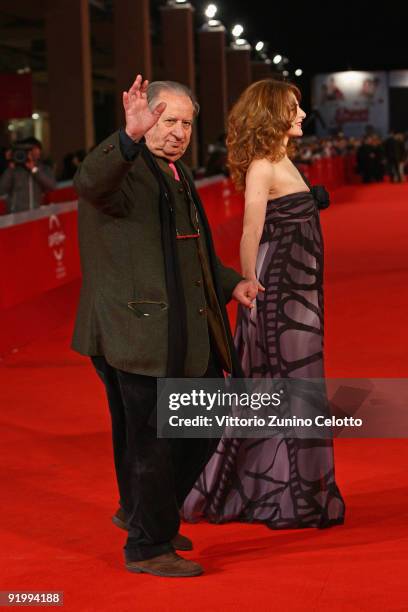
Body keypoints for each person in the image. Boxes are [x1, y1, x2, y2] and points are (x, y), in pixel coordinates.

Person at [72, 75, 257, 578]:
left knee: (200, 424)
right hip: (133, 332)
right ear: (144, 116)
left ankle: (144, 514)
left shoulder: (175, 172)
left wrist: (231, 283)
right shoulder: (123, 166)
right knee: (151, 440)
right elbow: (89, 180)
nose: (177, 131)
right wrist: (128, 138)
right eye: (167, 119)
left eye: (186, 123)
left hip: (175, 331)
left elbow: (191, 249)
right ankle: (148, 546)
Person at [183, 79, 345, 530]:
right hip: (280, 293)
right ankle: (286, 493)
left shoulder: (283, 160)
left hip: (302, 290)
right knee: (286, 386)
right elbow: (251, 228)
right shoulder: (262, 166)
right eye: (293, 108)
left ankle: (294, 489)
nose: (301, 115)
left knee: (297, 386)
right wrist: (249, 280)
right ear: (273, 114)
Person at [0, 137, 56, 213]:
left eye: (32, 150)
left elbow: (52, 186)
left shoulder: (43, 169)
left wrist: (34, 169)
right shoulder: (14, 171)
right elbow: (2, 190)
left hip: (36, 213)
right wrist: (10, 168)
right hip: (15, 215)